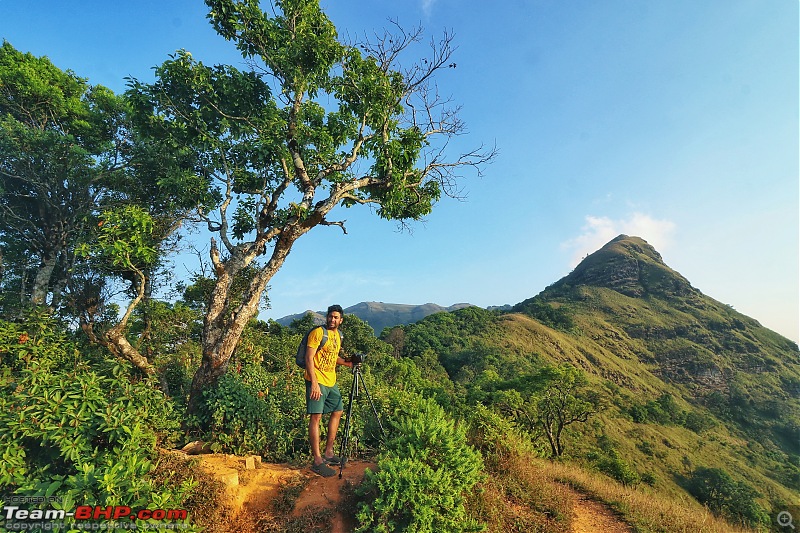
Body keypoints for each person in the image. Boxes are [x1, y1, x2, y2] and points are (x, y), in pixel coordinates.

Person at [305, 304, 352, 477]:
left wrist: (346, 362)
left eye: (336, 317)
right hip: (316, 380)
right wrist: (314, 383)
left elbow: (332, 356)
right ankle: (317, 461)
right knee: (316, 417)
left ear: (341, 320)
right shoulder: (318, 332)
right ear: (327, 317)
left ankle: (329, 453)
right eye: (330, 316)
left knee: (337, 411)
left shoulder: (338, 335)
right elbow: (309, 357)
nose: (332, 320)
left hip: (331, 381)